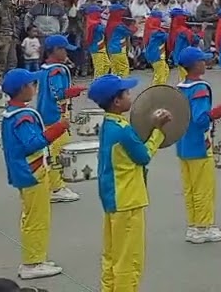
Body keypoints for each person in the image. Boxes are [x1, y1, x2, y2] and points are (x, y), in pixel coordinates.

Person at [91, 74, 172, 292]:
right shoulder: (123, 130)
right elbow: (143, 155)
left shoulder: (108, 125)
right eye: (127, 93)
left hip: (112, 198)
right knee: (129, 261)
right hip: (128, 200)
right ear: (116, 101)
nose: (130, 96)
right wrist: (158, 132)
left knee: (111, 257)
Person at [0, 68, 70, 281]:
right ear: (22, 89)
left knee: (33, 215)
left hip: (27, 171)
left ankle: (36, 257)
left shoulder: (14, 112)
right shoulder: (22, 117)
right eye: (32, 84)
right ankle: (32, 262)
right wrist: (58, 128)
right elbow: (33, 143)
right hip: (32, 172)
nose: (35, 88)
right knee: (36, 218)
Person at [174, 47, 221, 244]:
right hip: (199, 143)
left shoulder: (179, 87)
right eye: (203, 61)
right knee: (204, 188)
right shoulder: (200, 88)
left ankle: (193, 225)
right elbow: (201, 119)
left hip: (183, 143)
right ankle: (204, 227)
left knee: (190, 187)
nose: (206, 63)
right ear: (196, 65)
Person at [34, 35, 86, 203]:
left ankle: (54, 184)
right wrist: (75, 90)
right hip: (55, 116)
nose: (66, 53)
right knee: (58, 153)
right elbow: (58, 93)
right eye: (64, 49)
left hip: (47, 115)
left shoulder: (45, 69)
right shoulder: (56, 70)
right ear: (55, 50)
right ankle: (56, 188)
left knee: (54, 152)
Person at [104, 4, 133, 78]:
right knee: (124, 68)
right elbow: (130, 32)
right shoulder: (118, 25)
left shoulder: (111, 23)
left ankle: (114, 88)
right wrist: (135, 24)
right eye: (121, 11)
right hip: (119, 49)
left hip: (112, 49)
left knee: (115, 70)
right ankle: (123, 87)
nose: (122, 13)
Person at [141, 12, 169, 85]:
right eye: (160, 20)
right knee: (160, 76)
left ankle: (158, 89)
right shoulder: (156, 32)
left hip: (155, 55)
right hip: (157, 56)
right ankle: (156, 92)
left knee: (165, 71)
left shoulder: (150, 29)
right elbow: (168, 37)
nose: (160, 22)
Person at [81, 5, 108, 79]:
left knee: (106, 65)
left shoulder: (96, 22)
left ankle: (103, 80)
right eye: (98, 12)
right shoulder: (93, 24)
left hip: (101, 47)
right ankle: (97, 83)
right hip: (97, 48)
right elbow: (104, 30)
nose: (100, 14)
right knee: (99, 68)